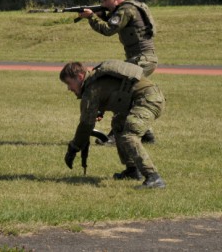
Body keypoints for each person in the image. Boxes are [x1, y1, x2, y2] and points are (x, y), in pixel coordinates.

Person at [59, 60, 166, 189]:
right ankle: (132, 170)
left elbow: (86, 125)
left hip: (148, 100)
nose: (69, 88)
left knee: (129, 135)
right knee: (118, 125)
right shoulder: (94, 81)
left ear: (80, 77)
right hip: (145, 98)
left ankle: (153, 177)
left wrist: (73, 147)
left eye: (69, 83)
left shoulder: (91, 89)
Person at [78, 0, 157, 144]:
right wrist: (101, 15)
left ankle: (116, 135)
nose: (103, 4)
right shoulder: (129, 7)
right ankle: (146, 134)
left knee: (122, 94)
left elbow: (108, 30)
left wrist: (91, 17)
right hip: (140, 58)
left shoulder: (126, 9)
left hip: (142, 59)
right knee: (127, 94)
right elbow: (116, 23)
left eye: (105, 0)